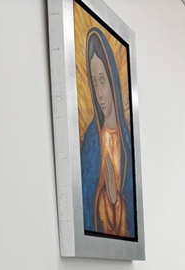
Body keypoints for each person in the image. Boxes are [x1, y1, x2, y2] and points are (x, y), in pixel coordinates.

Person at [80, 28, 135, 238]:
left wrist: (116, 200)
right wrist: (107, 199)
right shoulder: (91, 143)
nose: (99, 93)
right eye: (94, 83)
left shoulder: (128, 143)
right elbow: (86, 209)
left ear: (113, 81)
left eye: (102, 80)